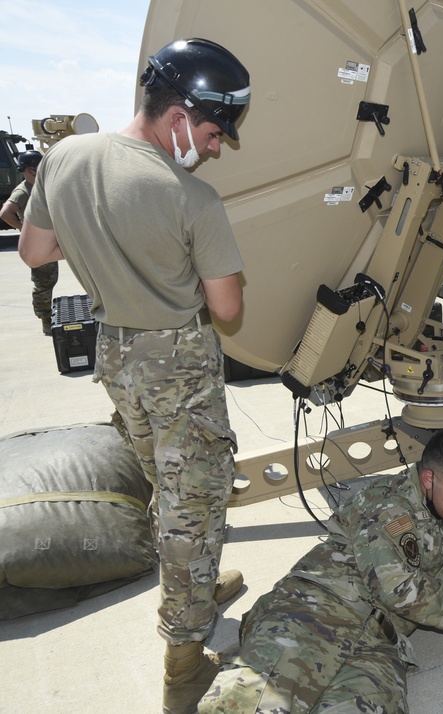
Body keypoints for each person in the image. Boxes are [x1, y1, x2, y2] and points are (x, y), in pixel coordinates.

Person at [19, 38, 251, 714]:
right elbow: (228, 308)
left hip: (115, 351)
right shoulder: (192, 198)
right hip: (177, 360)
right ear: (179, 116)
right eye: (213, 133)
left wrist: (101, 236)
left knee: (165, 481)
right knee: (195, 505)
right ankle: (183, 662)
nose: (214, 148)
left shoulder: (62, 157)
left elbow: (36, 249)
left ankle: (198, 585)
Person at [200, 430, 443, 713]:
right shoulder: (389, 506)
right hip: (315, 612)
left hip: (378, 642)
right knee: (252, 702)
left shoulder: (441, 511)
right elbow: (396, 587)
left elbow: (427, 567)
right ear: (429, 479)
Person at [1, 149, 59, 334]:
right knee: (44, 283)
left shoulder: (40, 185)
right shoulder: (23, 190)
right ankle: (46, 321)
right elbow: (5, 212)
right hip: (39, 247)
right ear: (30, 170)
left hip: (52, 241)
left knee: (52, 279)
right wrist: (22, 228)